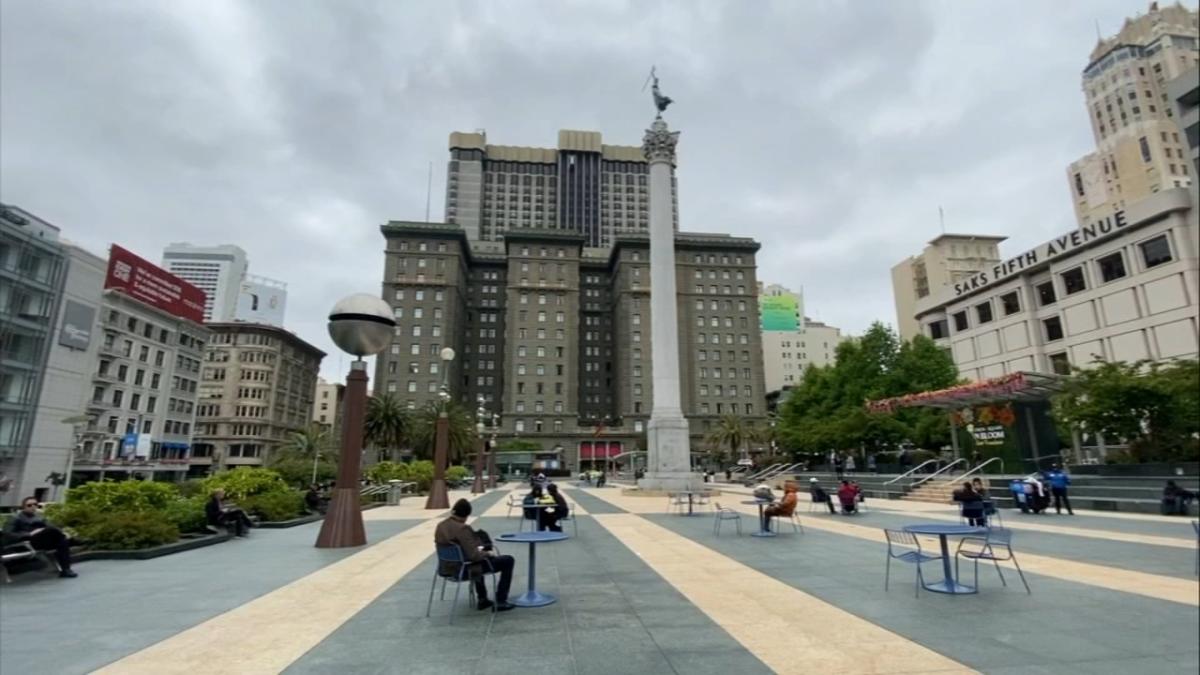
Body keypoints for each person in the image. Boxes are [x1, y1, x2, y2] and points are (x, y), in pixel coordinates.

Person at [434, 499, 515, 612]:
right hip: (463, 570)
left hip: (446, 568)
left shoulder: (441, 525)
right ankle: (501, 600)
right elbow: (474, 555)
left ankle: (483, 599)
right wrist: (488, 553)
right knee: (507, 560)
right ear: (467, 515)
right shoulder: (462, 528)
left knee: (477, 560)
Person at [2, 496, 77, 578]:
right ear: (23, 507)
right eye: (29, 505)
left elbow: (52, 526)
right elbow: (7, 533)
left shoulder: (40, 517)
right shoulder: (15, 518)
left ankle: (66, 570)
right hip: (27, 542)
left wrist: (62, 532)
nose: (33, 507)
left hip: (43, 540)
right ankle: (75, 540)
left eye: (35, 504)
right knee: (54, 532)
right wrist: (30, 534)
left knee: (62, 540)